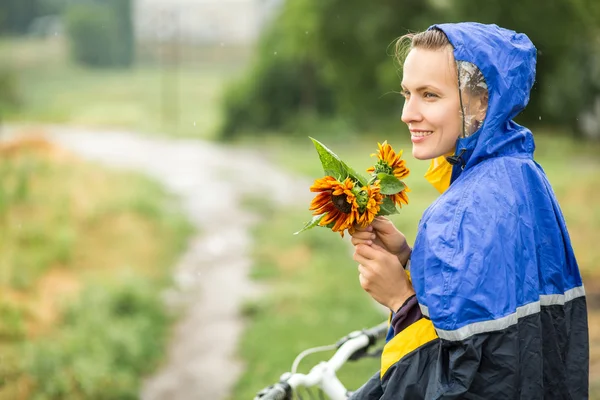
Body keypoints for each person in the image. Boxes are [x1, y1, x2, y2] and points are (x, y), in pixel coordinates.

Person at [349, 22, 589, 399]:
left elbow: (458, 385)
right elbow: (488, 325)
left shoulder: (463, 212)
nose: (407, 114)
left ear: (481, 102)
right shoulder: (522, 175)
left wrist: (400, 301)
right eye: (406, 93)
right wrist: (409, 260)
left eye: (429, 95)